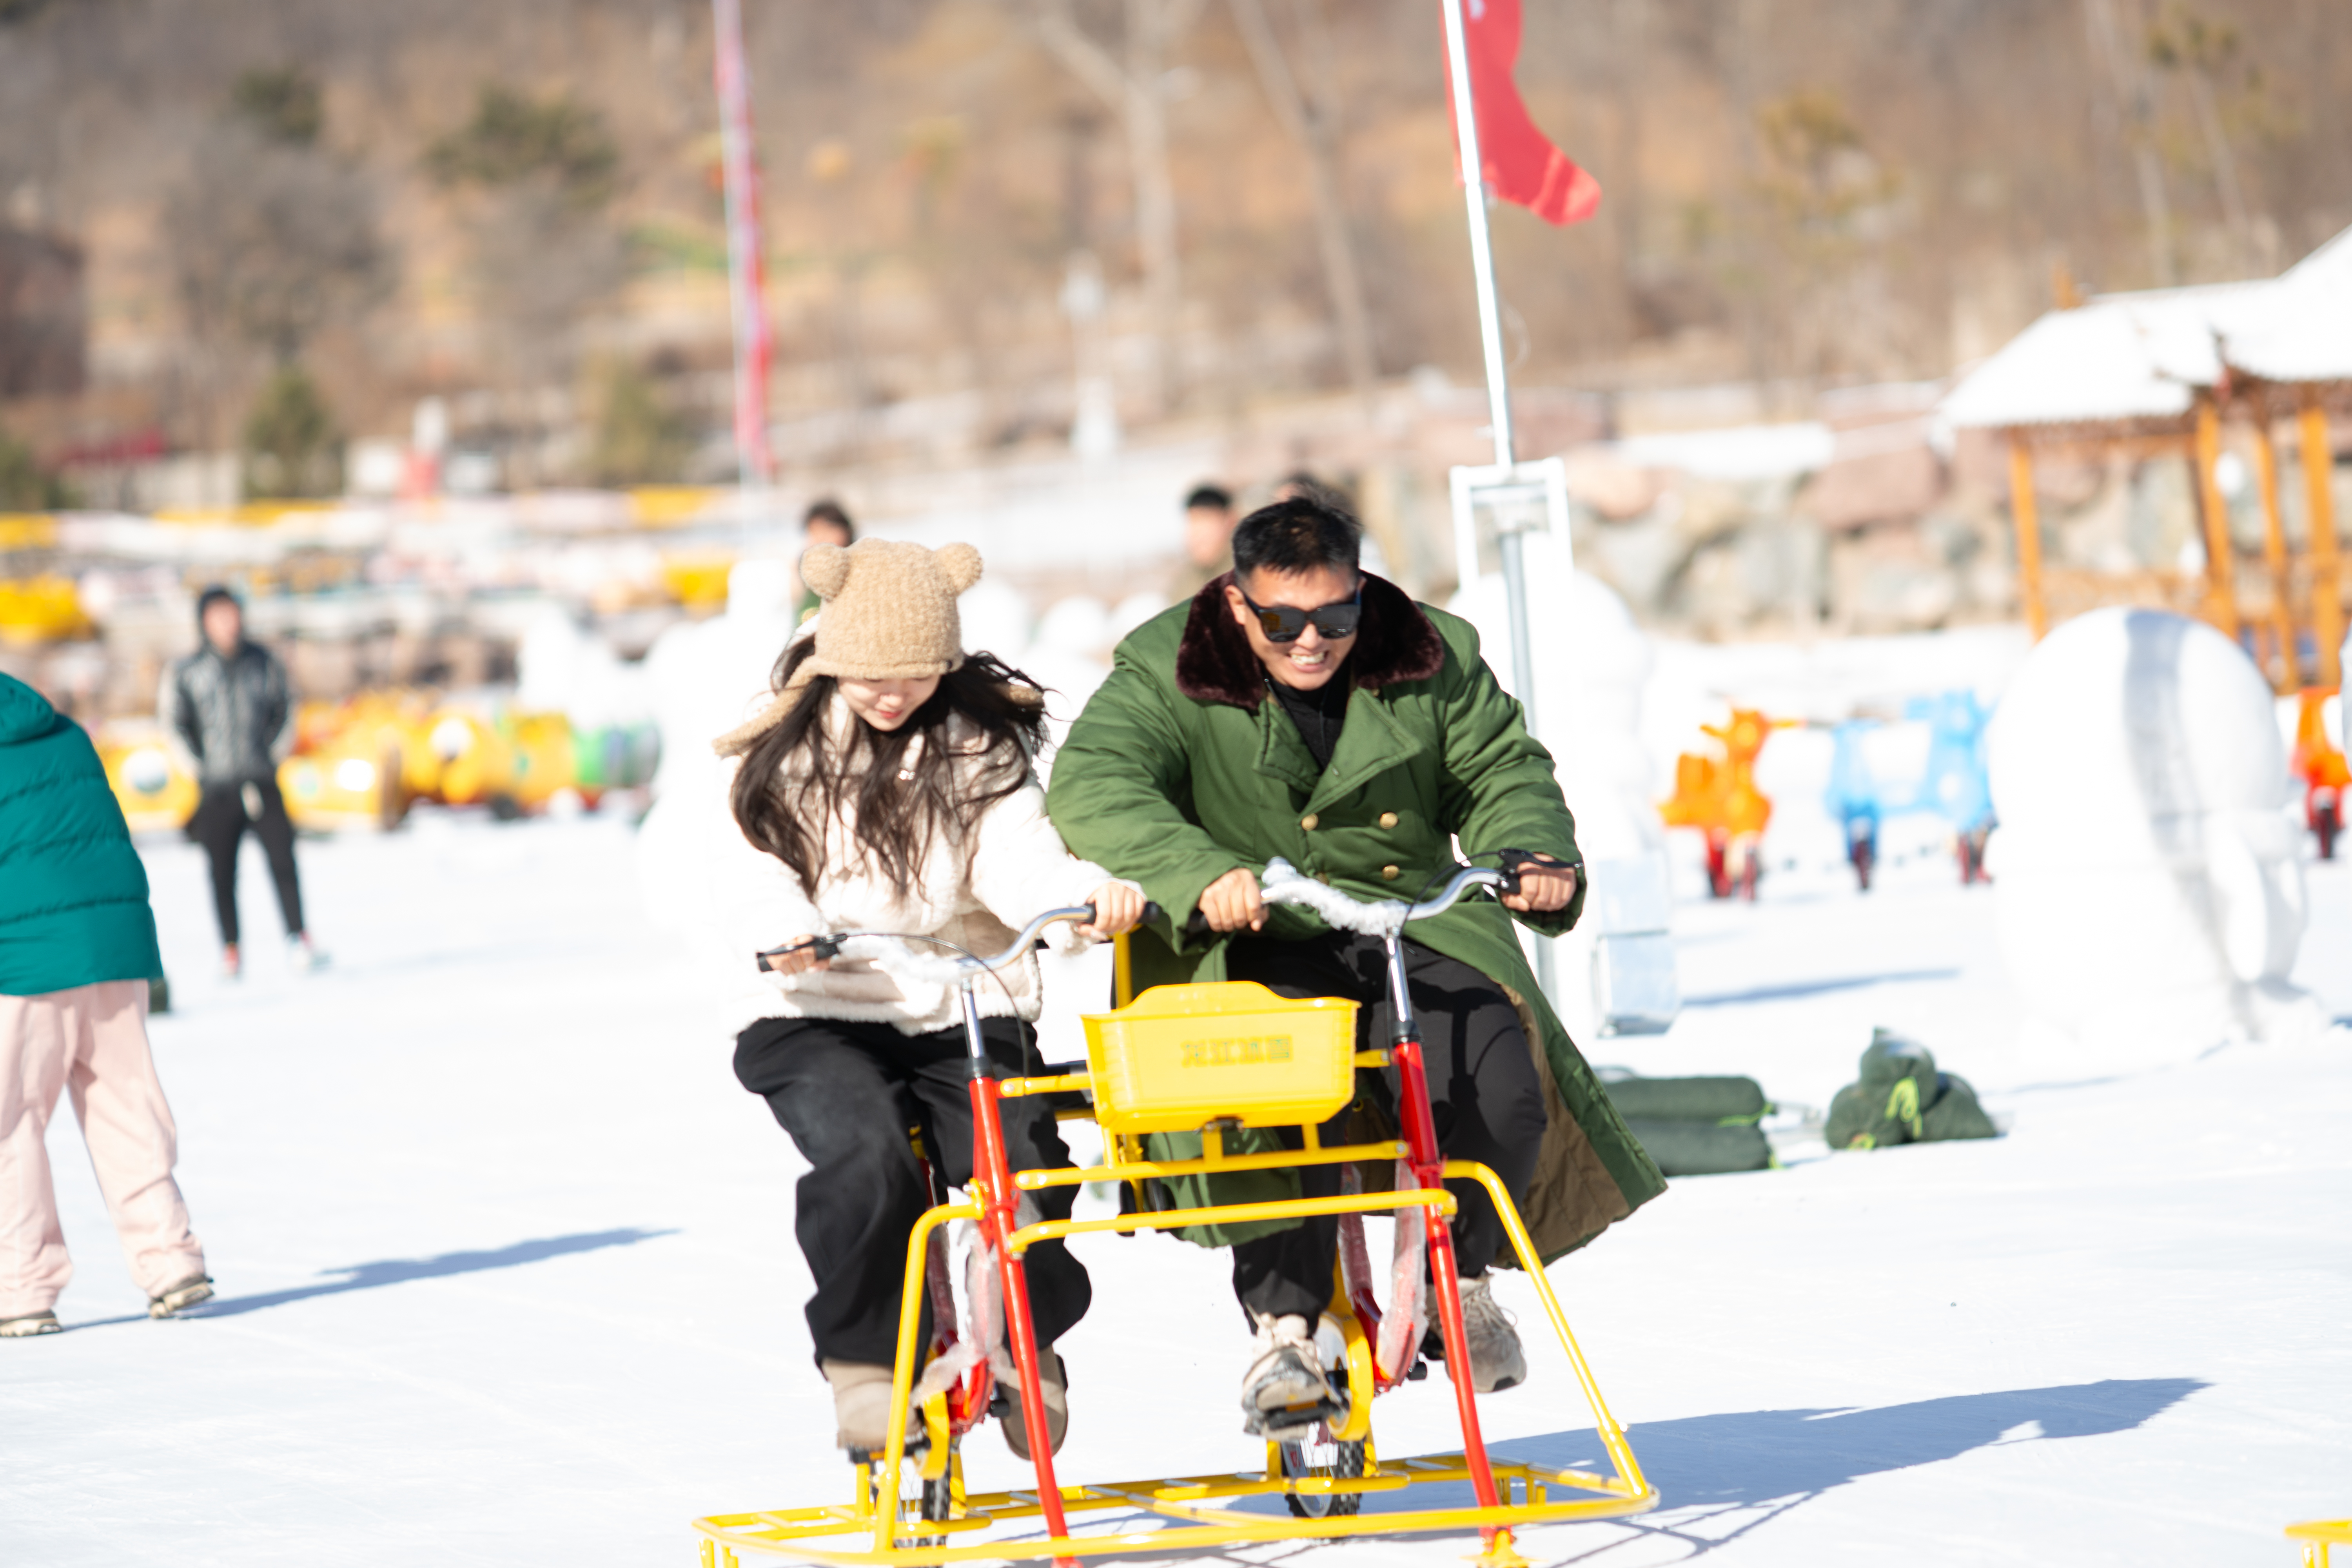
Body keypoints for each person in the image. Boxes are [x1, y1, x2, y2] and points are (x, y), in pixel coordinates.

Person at [1047, 494, 1664, 1436]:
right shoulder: (1171, 664)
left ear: (1363, 594)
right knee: (1273, 1097)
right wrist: (1199, 869)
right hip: (1250, 937)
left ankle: (1462, 1277)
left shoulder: (1431, 651)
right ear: (1238, 602)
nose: (1310, 642)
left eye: (1334, 619)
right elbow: (1095, 780)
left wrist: (1528, 852)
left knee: (1499, 1071)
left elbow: (1501, 770)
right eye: (1283, 621)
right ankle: (1284, 1328)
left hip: (1403, 921)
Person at [708, 537, 1143, 1456]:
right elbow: (755, 871)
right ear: (835, 660)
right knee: (866, 1155)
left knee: (1017, 1160)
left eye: (914, 673)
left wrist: (1073, 901)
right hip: (819, 1005)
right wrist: (785, 930)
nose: (891, 694)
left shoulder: (976, 747)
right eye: (870, 675)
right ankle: (868, 1367)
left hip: (958, 1003)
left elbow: (1015, 855)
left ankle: (1028, 1337)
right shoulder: (783, 754)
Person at [0, 672, 212, 1337]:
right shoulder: (65, 732)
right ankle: (172, 1261)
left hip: (27, 957)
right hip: (113, 947)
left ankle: (22, 1287)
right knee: (124, 1103)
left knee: (10, 1125)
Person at [160, 587, 322, 978]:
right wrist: (200, 767)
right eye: (218, 616)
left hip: (262, 780)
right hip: (216, 788)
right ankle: (231, 948)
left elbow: (287, 709)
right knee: (221, 871)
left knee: (284, 861)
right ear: (204, 621)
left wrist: (270, 756)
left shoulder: (263, 662)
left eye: (231, 614)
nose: (227, 623)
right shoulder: (187, 670)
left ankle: (298, 937)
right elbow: (174, 724)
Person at [1168, 483, 1237, 604]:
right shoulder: (1185, 581)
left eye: (1205, 520)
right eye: (1193, 522)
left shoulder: (1247, 571)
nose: (1198, 534)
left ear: (1230, 520)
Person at [795, 499, 856, 624]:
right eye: (814, 531)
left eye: (827, 530)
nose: (821, 538)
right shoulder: (803, 574)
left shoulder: (858, 571)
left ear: (846, 531)